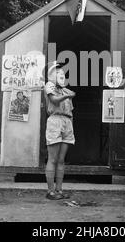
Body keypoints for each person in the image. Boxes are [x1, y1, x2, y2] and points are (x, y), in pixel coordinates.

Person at [44, 61, 76, 200]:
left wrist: (71, 125)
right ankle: (50, 192)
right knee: (53, 159)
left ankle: (59, 190)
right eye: (57, 72)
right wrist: (67, 96)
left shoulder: (66, 90)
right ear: (51, 75)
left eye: (62, 72)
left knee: (62, 160)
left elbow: (70, 110)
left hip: (67, 122)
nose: (61, 74)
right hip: (55, 120)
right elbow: (55, 100)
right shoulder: (49, 86)